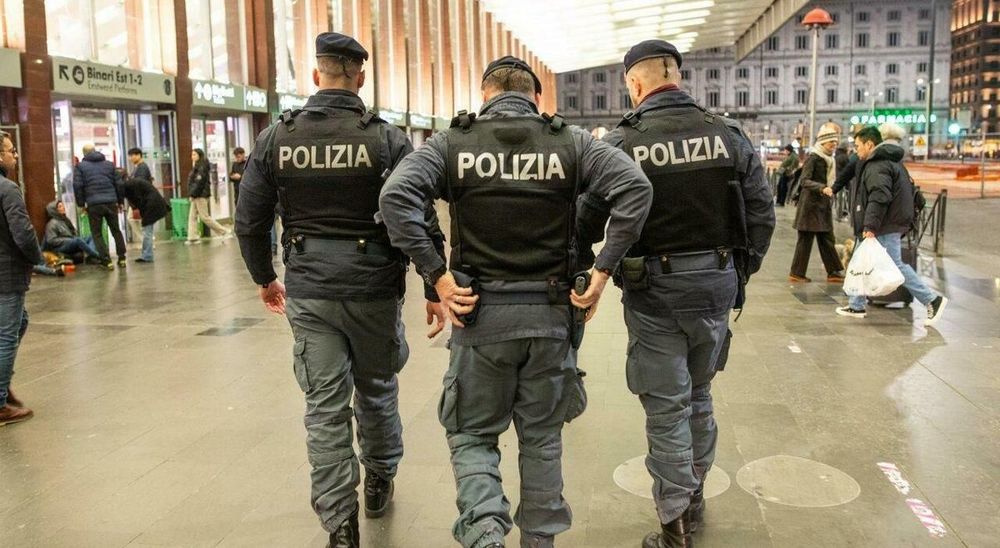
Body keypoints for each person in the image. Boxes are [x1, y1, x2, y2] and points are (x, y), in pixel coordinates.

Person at [380, 55, 652, 548]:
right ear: (536, 97)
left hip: (479, 318)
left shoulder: (452, 143)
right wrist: (604, 269)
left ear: (484, 96)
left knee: (472, 434)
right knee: (543, 439)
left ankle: (485, 534)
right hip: (551, 318)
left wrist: (437, 276)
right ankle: (540, 541)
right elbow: (635, 187)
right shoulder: (570, 143)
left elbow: (396, 196)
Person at [235, 33, 437, 548]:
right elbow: (417, 212)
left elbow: (249, 219)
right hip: (373, 285)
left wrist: (264, 277)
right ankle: (380, 478)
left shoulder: (277, 138)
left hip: (309, 287)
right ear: (360, 77)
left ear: (316, 75)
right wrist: (435, 279)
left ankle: (339, 525)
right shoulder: (386, 139)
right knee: (377, 387)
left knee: (324, 405)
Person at [595, 41, 775, 548]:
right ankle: (692, 494)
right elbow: (762, 214)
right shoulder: (728, 135)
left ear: (634, 83)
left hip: (654, 290)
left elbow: (588, 211)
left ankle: (674, 521)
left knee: (665, 405)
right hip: (716, 282)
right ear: (678, 75)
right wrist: (741, 272)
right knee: (699, 395)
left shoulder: (622, 142)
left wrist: (584, 272)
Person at [836, 125, 948, 326]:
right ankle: (856, 304)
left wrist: (870, 225)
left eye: (859, 145)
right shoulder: (885, 161)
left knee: (896, 265)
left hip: (884, 225)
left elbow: (879, 196)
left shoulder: (878, 164)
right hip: (885, 223)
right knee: (859, 261)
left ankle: (932, 299)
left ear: (870, 144)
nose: (856, 150)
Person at [0, 130, 43, 426]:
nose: (15, 155)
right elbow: (23, 233)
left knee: (20, 322)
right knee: (6, 335)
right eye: (10, 150)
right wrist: (37, 258)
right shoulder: (8, 188)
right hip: (7, 273)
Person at [788, 125, 845, 283]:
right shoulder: (814, 157)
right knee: (806, 240)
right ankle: (797, 273)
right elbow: (804, 180)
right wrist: (822, 188)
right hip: (810, 206)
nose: (834, 145)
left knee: (826, 238)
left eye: (835, 142)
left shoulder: (829, 159)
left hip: (820, 205)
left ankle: (833, 271)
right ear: (822, 143)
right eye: (831, 142)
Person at [73, 143, 126, 269]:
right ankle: (122, 258)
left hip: (94, 204)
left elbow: (77, 185)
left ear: (84, 154)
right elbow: (119, 184)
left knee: (97, 233)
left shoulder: (80, 167)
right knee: (116, 230)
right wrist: (120, 201)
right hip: (111, 202)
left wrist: (81, 204)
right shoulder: (109, 165)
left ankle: (106, 260)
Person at [186, 148, 231, 244]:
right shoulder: (198, 166)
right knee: (192, 216)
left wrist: (193, 194)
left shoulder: (202, 167)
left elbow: (199, 182)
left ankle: (223, 231)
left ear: (199, 155)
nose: (192, 157)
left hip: (200, 195)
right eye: (192, 154)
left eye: (194, 155)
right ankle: (192, 237)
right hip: (197, 194)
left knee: (204, 217)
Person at [124, 173, 171, 263]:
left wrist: (140, 212)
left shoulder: (131, 185)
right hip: (153, 204)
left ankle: (147, 255)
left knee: (147, 230)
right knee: (147, 229)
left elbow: (139, 200)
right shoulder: (133, 183)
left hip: (152, 206)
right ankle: (146, 254)